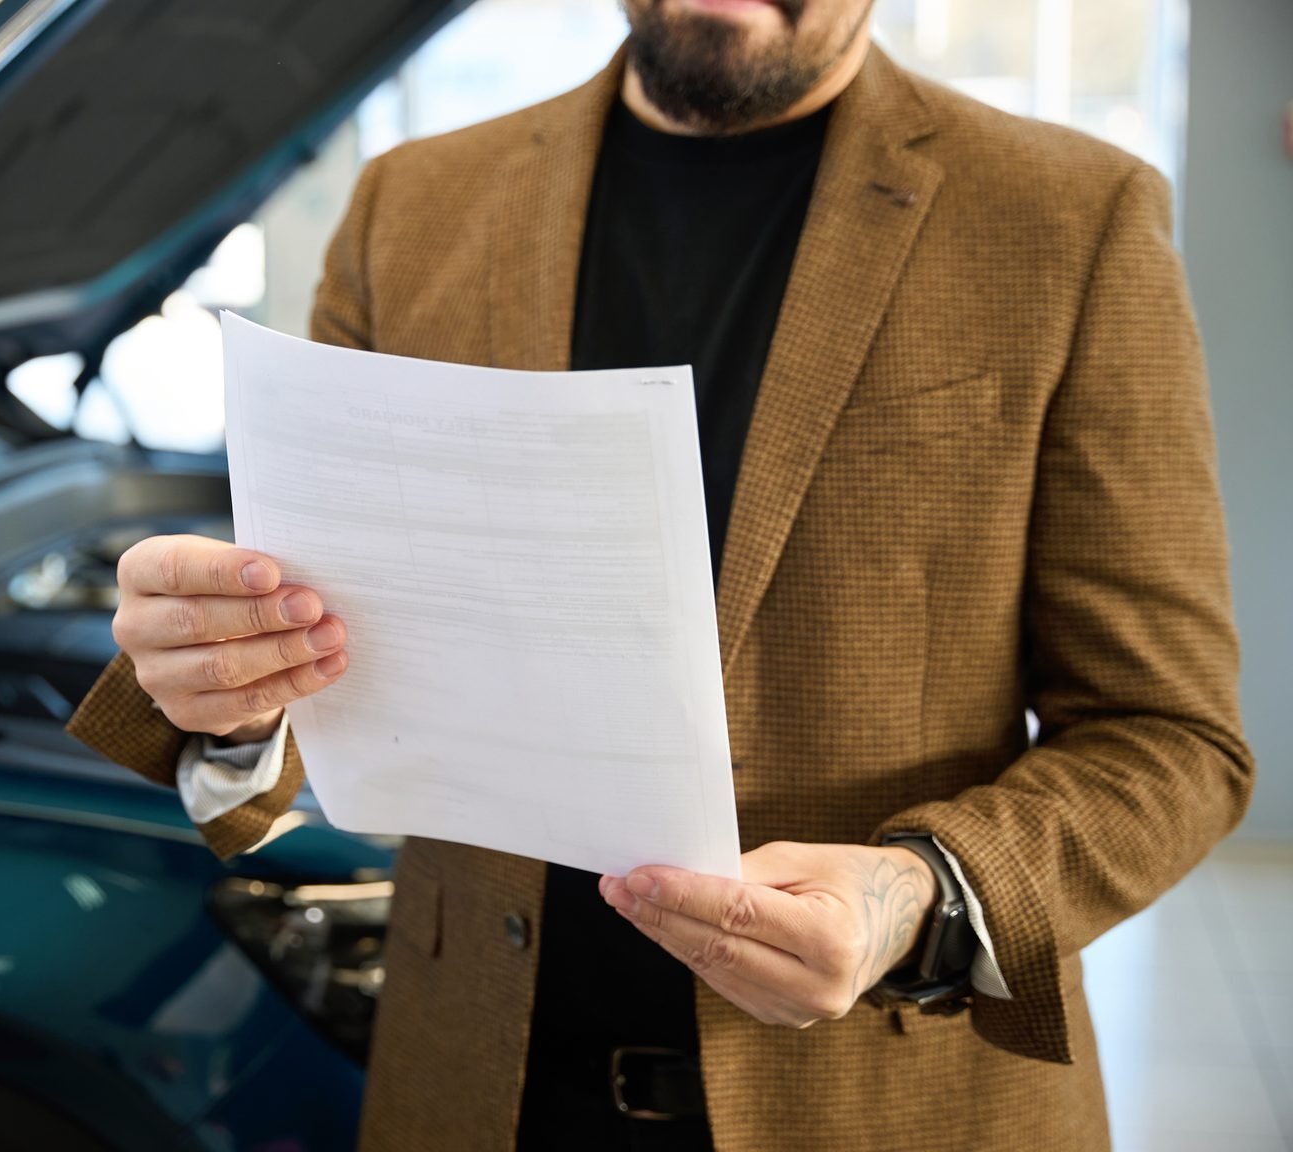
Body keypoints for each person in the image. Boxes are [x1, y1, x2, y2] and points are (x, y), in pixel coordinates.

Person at [67, 0, 1253, 1147]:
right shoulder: (412, 203)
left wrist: (917, 898)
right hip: (480, 1093)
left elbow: (1172, 738)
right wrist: (229, 688)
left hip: (885, 1101)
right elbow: (314, 649)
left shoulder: (1070, 218)